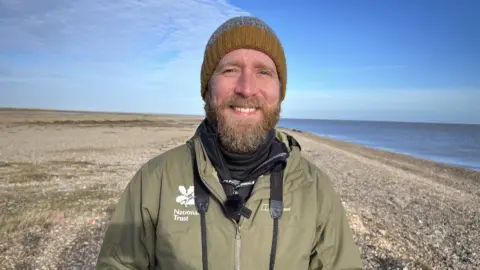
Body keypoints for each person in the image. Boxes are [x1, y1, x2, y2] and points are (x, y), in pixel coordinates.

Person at [96, 15, 363, 270]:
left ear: (280, 92)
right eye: (230, 70)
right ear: (207, 88)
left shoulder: (314, 190)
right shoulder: (154, 181)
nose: (246, 88)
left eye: (263, 72)